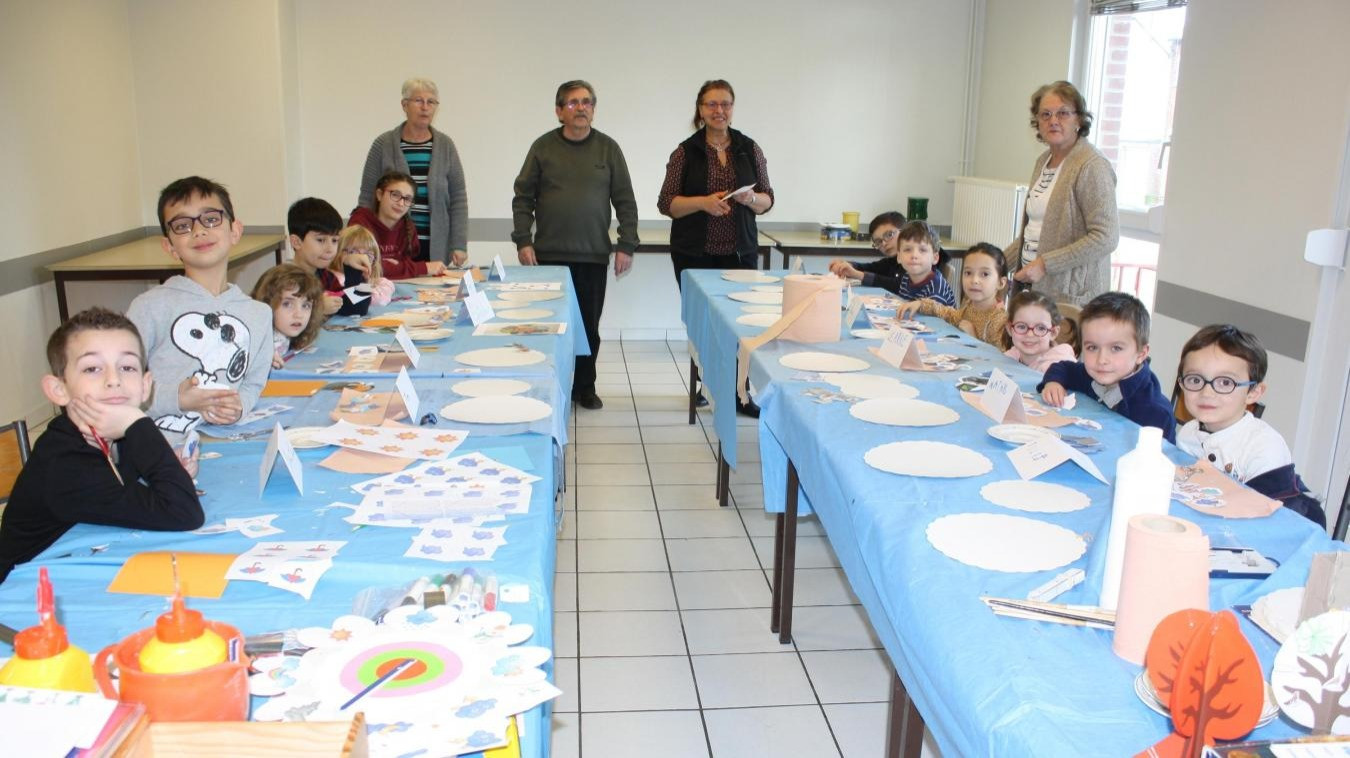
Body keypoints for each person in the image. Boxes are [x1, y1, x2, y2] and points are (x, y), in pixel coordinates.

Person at [0, 308, 204, 582]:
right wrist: (137, 422)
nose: (113, 380)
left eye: (127, 367)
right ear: (59, 389)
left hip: (67, 564)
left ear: (145, 385)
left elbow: (128, 478)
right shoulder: (65, 464)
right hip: (22, 590)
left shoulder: (110, 431)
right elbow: (184, 513)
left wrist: (167, 465)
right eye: (92, 368)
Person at [512, 79, 638, 410]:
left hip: (593, 255)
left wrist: (626, 244)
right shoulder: (542, 148)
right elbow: (523, 198)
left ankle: (585, 387)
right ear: (559, 111)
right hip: (548, 257)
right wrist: (523, 240)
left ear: (593, 110)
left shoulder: (608, 149)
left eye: (586, 102)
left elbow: (625, 201)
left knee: (588, 328)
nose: (580, 108)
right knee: (551, 326)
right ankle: (551, 386)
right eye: (572, 103)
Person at [128, 176, 273, 444]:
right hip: (158, 450)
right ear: (170, 246)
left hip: (222, 445)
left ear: (235, 231)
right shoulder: (149, 307)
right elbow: (120, 388)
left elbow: (253, 383)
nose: (199, 230)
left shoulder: (259, 314)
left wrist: (240, 406)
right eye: (182, 225)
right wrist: (177, 399)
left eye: (211, 219)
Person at [1175, 324, 1325, 526]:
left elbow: (1267, 521)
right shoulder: (1187, 434)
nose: (1206, 393)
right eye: (1195, 380)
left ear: (1253, 392)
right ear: (1181, 383)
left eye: (1225, 383)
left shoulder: (1264, 448)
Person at [1004, 81, 1119, 306]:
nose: (1053, 120)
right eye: (1045, 114)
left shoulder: (1092, 165)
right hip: (1032, 287)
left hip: (1071, 295)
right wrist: (996, 262)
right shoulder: (1043, 161)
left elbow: (1106, 237)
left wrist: (1045, 264)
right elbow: (1037, 230)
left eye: (1063, 113)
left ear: (1079, 120)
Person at [657, 79, 774, 288]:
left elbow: (768, 200)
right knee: (700, 310)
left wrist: (751, 198)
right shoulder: (685, 152)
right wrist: (703, 203)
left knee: (739, 307)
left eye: (725, 104)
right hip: (693, 256)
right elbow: (666, 203)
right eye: (712, 104)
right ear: (701, 110)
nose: (719, 110)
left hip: (741, 256)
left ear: (732, 108)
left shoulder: (750, 149)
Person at [359, 78, 468, 268]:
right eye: (419, 101)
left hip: (435, 246)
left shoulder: (446, 146)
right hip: (391, 244)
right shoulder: (383, 144)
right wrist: (362, 242)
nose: (425, 107)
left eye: (431, 102)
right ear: (404, 105)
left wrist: (459, 244)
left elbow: (458, 198)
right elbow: (367, 197)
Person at [1039, 291, 1175, 442]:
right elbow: (1063, 368)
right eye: (1092, 347)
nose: (1101, 360)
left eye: (1116, 348)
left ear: (1141, 354)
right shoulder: (1091, 374)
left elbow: (1166, 456)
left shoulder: (1156, 413)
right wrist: (1053, 383)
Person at [896, 243, 1007, 346]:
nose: (974, 280)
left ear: (1001, 283)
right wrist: (921, 304)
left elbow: (1002, 358)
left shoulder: (999, 320)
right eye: (968, 273)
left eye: (985, 274)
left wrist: (973, 338)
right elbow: (951, 315)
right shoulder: (969, 304)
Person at [349, 171, 448, 280]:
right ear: (379, 195)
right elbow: (365, 267)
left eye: (407, 199)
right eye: (395, 195)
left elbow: (399, 266)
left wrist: (393, 267)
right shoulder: (360, 222)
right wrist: (423, 268)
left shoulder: (408, 227)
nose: (401, 203)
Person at [288, 198, 371, 317]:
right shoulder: (284, 282)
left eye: (334, 240)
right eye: (321, 240)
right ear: (296, 242)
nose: (330, 249)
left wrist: (354, 270)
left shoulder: (326, 277)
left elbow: (357, 309)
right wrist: (316, 308)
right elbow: (281, 319)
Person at [252, 264, 324, 369]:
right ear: (267, 303)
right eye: (287, 304)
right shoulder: (255, 343)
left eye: (305, 305)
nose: (298, 315)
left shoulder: (286, 335)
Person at [1003, 290, 1076, 373]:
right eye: (1022, 327)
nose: (1030, 334)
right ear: (1010, 329)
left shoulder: (1057, 369)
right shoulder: (1014, 353)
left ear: (1053, 333)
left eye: (1041, 328)